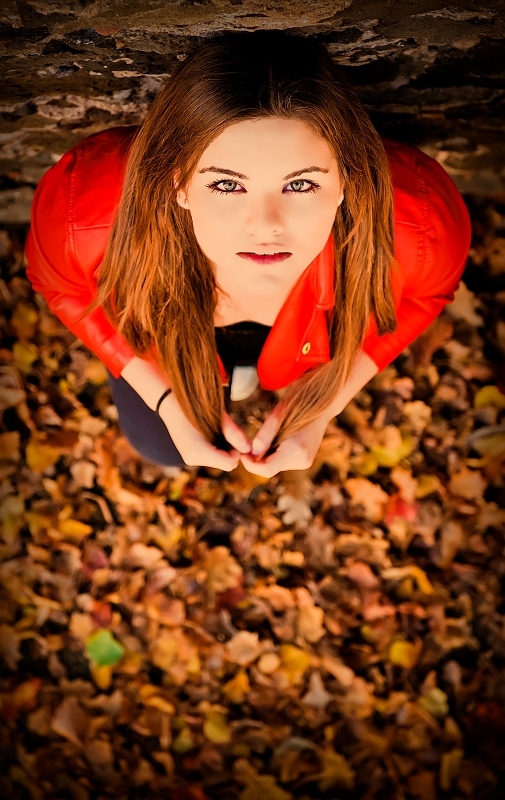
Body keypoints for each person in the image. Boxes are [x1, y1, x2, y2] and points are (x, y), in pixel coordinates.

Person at [24, 30, 472, 478]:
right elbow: (62, 285)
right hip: (165, 330)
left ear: (344, 182)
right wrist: (164, 398)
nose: (265, 226)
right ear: (179, 184)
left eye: (300, 184)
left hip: (313, 338)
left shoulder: (421, 223)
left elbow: (427, 295)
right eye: (226, 184)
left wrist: (324, 406)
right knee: (158, 444)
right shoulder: (82, 211)